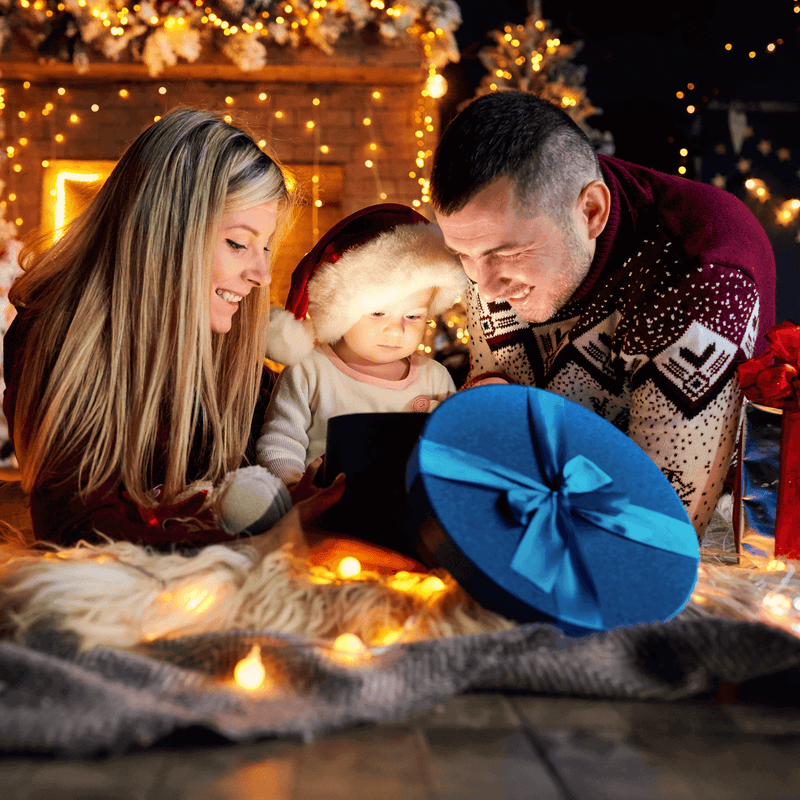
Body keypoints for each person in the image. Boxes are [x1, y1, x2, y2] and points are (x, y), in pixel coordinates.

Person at [429, 91, 776, 537]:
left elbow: (659, 528)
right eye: (463, 254)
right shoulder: (510, 230)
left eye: (507, 253)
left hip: (704, 543)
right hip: (546, 501)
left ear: (591, 212)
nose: (484, 288)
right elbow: (491, 407)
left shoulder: (700, 277)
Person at [4, 108, 342, 549]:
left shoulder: (225, 351)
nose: (261, 274)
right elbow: (85, 531)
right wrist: (274, 535)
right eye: (238, 243)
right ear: (165, 235)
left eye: (265, 248)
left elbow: (303, 438)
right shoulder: (61, 337)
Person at [257, 204, 465, 485]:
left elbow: (451, 446)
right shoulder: (310, 372)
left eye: (413, 316)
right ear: (340, 310)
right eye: (378, 313)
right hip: (324, 502)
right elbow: (280, 442)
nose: (396, 329)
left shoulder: (435, 378)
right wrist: (293, 487)